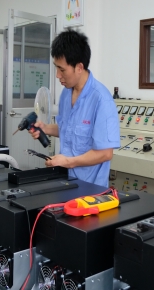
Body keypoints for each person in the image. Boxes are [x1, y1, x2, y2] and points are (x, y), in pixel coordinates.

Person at [30, 29, 119, 187]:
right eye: (56, 68)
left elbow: (105, 153)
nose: (58, 75)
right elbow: (68, 129)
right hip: (66, 182)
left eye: (62, 70)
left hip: (91, 189)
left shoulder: (101, 100)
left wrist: (68, 162)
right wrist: (46, 128)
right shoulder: (66, 94)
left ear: (79, 67)